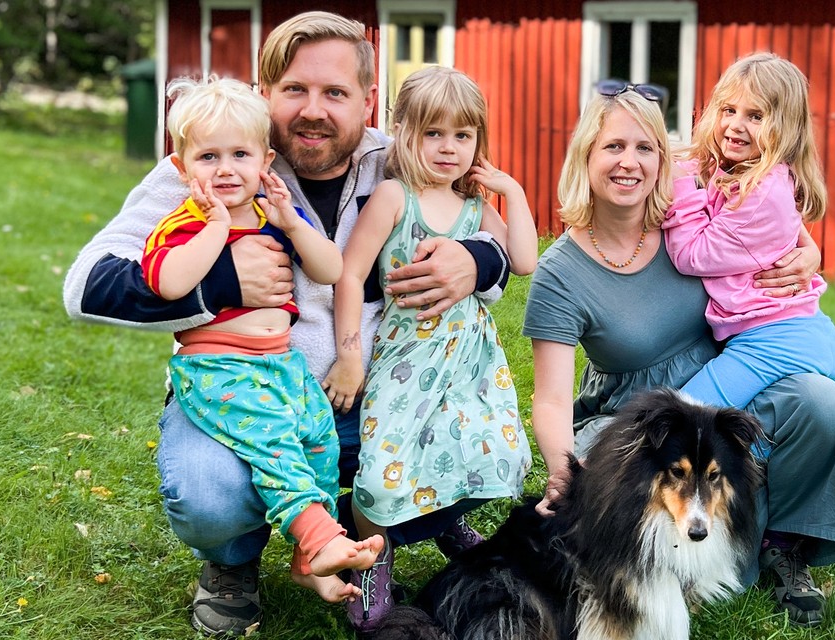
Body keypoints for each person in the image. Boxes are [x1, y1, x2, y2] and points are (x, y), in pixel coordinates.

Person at [62, 11, 510, 637]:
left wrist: (478, 261)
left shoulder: (402, 159)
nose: (314, 110)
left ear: (368, 99)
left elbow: (484, 229)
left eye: (336, 93)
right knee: (208, 491)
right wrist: (221, 282)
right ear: (264, 92)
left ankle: (374, 535)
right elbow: (84, 285)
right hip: (242, 386)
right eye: (295, 89)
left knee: (471, 446)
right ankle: (231, 564)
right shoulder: (210, 163)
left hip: (379, 396)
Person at [522, 83, 835, 628]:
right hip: (636, 412)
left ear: (664, 162)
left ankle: (780, 545)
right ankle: (679, 563)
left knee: (821, 401)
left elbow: (766, 207)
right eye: (613, 147)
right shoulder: (561, 273)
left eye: (645, 149)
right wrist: (558, 469)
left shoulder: (681, 219)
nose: (629, 163)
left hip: (724, 387)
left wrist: (809, 249)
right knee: (616, 475)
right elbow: (548, 399)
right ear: (585, 156)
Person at [143, 74, 384, 603]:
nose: (226, 170)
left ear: (265, 162)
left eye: (240, 155)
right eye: (208, 158)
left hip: (281, 364)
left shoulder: (271, 216)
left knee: (317, 443)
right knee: (273, 445)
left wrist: (294, 226)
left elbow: (330, 267)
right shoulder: (180, 224)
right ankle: (318, 538)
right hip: (219, 368)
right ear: (182, 169)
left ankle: (308, 562)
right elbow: (168, 284)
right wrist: (213, 230)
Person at [324, 66, 537, 630]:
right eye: (433, 134)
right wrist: (350, 357)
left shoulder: (473, 203)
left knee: (497, 452)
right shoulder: (396, 197)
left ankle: (440, 519)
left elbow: (524, 261)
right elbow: (350, 276)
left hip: (470, 361)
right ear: (404, 134)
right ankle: (373, 558)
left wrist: (511, 191)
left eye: (463, 136)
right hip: (407, 357)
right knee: (381, 471)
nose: (449, 148)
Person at [662, 52, 835, 410]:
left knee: (685, 415)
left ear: (786, 127)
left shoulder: (762, 192)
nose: (735, 125)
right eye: (728, 110)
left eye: (756, 116)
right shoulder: (745, 170)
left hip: (775, 339)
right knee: (730, 436)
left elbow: (691, 256)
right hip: (778, 332)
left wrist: (680, 185)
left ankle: (596, 465)